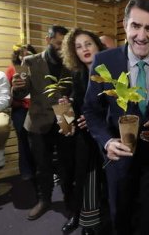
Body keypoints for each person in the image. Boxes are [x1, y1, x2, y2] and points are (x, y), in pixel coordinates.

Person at [84, 0, 149, 235]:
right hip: (119, 161)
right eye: (136, 26)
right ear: (125, 25)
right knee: (121, 218)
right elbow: (91, 110)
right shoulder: (104, 61)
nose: (142, 35)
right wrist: (106, 141)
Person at [11, 25, 76, 225]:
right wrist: (16, 88)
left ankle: (71, 201)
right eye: (58, 44)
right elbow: (20, 95)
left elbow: (76, 89)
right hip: (38, 120)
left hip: (65, 116)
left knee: (68, 164)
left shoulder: (71, 60)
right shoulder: (30, 61)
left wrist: (72, 101)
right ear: (48, 40)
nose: (61, 48)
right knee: (42, 166)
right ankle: (44, 200)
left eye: (64, 45)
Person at [61, 28, 106, 235]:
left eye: (88, 43)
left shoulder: (109, 71)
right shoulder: (77, 74)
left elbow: (119, 106)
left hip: (106, 135)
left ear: (98, 45)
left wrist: (95, 120)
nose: (84, 49)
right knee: (82, 178)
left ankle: (97, 221)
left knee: (101, 182)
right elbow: (76, 107)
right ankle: (82, 218)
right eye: (78, 47)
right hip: (82, 138)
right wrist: (67, 105)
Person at [5, 44, 37, 180]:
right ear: (17, 56)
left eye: (28, 53)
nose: (25, 56)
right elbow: (7, 96)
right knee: (23, 141)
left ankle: (41, 169)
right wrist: (14, 90)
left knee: (39, 141)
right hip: (20, 110)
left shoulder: (39, 68)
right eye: (21, 53)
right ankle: (26, 172)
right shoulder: (11, 70)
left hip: (38, 110)